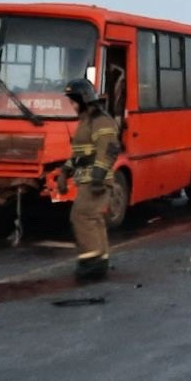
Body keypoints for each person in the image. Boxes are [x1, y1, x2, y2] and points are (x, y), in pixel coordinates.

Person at [61, 78, 121, 281]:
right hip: (86, 178)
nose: (72, 105)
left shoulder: (100, 121)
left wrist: (98, 178)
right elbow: (80, 153)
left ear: (83, 99)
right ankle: (99, 261)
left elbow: (108, 150)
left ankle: (91, 262)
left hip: (95, 180)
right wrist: (64, 172)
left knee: (81, 217)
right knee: (93, 218)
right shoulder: (86, 121)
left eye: (73, 101)